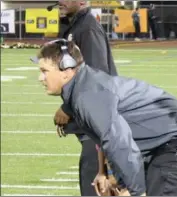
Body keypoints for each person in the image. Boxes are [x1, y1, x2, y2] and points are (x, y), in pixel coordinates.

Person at [33, 39, 177, 196]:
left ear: (67, 70)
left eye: (44, 71)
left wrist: (135, 191)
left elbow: (120, 143)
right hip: (166, 141)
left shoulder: (88, 95)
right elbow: (105, 137)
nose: (40, 78)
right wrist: (106, 173)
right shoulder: (82, 87)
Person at [52, 0, 118, 196]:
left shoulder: (87, 28)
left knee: (94, 183)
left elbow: (97, 76)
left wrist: (68, 108)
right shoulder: (74, 24)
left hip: (99, 119)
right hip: (91, 118)